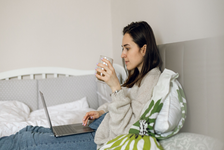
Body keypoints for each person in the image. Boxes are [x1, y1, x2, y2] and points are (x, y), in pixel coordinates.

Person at [0, 21, 162, 150]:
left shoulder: (152, 80)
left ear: (144, 49)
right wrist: (100, 111)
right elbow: (122, 106)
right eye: (122, 48)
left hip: (102, 136)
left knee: (26, 141)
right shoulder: (137, 76)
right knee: (29, 131)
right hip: (101, 124)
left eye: (127, 48)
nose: (122, 54)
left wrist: (115, 87)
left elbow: (129, 127)